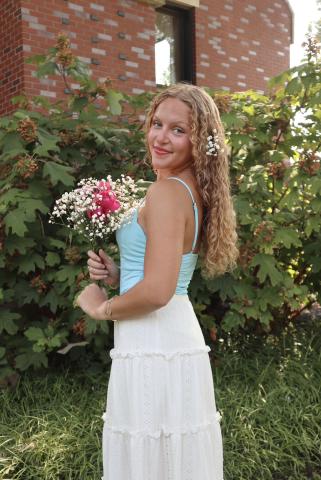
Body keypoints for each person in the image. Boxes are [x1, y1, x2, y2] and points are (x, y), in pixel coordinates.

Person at [76, 82, 239, 480]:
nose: (161, 137)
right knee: (168, 455)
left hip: (156, 339)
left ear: (199, 142)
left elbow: (158, 291)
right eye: (157, 123)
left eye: (178, 130)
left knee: (152, 454)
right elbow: (158, 273)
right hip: (166, 334)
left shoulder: (167, 192)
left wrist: (101, 308)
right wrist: (119, 274)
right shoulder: (187, 189)